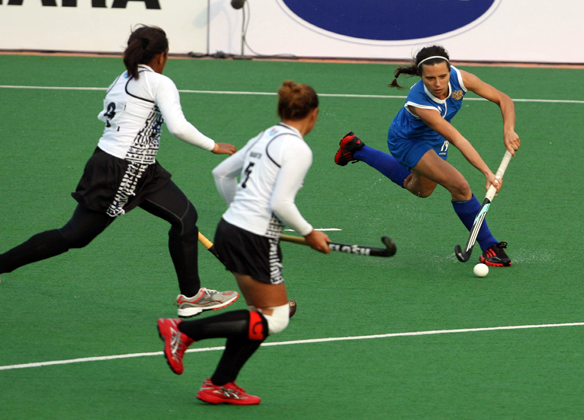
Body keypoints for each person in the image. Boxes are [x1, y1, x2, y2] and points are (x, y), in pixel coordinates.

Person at [0, 25, 239, 316]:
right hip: (124, 169)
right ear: (161, 56)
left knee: (186, 218)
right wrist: (213, 146)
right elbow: (178, 127)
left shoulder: (123, 79)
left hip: (132, 166)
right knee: (76, 235)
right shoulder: (160, 83)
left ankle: (191, 296)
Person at [157, 80, 330, 405]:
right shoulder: (298, 149)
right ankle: (182, 331)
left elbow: (222, 173)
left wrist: (242, 211)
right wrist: (310, 232)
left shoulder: (266, 135)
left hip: (233, 228)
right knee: (275, 317)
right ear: (314, 114)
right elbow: (281, 203)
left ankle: (220, 383)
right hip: (254, 237)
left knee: (258, 315)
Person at [334, 45, 520, 267]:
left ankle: (357, 149)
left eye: (443, 76)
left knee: (421, 190)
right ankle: (490, 246)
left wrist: (508, 129)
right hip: (407, 141)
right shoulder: (419, 101)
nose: (438, 83)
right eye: (430, 78)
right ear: (421, 76)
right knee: (460, 186)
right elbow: (458, 139)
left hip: (433, 139)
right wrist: (487, 173)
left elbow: (504, 99)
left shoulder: (460, 78)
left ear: (450, 70)